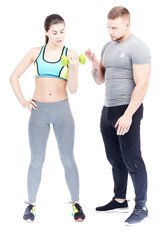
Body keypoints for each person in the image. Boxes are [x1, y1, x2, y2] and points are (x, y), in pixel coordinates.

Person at [9, 14, 85, 222]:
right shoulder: (36, 52)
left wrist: (74, 68)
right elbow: (13, 77)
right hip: (39, 112)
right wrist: (24, 101)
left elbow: (73, 89)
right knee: (36, 160)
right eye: (54, 32)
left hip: (63, 111)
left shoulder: (71, 54)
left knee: (68, 159)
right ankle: (30, 205)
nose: (59, 36)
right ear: (46, 32)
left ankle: (76, 204)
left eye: (62, 31)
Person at [86, 6, 151, 225]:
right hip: (108, 110)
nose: (110, 31)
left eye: (114, 27)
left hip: (127, 110)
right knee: (115, 159)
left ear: (127, 24)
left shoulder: (138, 47)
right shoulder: (108, 46)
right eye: (108, 27)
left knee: (132, 159)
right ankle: (120, 199)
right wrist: (95, 63)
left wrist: (128, 114)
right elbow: (100, 79)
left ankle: (141, 206)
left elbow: (142, 84)